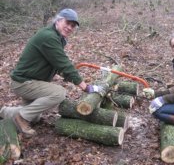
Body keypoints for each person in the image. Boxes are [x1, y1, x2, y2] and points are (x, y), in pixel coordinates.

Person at [0, 8, 104, 137]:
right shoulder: (48, 36)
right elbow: (64, 64)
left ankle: (5, 112)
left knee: (35, 117)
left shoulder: (57, 37)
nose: (70, 27)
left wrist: (69, 76)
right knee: (59, 93)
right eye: (67, 23)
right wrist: (85, 87)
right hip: (24, 82)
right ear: (59, 20)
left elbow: (58, 64)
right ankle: (21, 118)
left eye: (73, 25)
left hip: (32, 81)